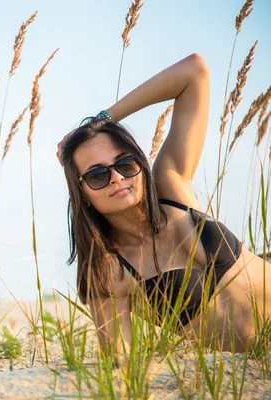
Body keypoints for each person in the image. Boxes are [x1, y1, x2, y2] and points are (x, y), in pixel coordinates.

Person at [56, 53, 271, 356]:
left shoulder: (172, 188)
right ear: (83, 195)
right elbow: (121, 364)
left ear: (140, 164)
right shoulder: (108, 270)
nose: (116, 178)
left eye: (125, 163)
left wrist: (103, 119)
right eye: (98, 175)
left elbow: (194, 71)